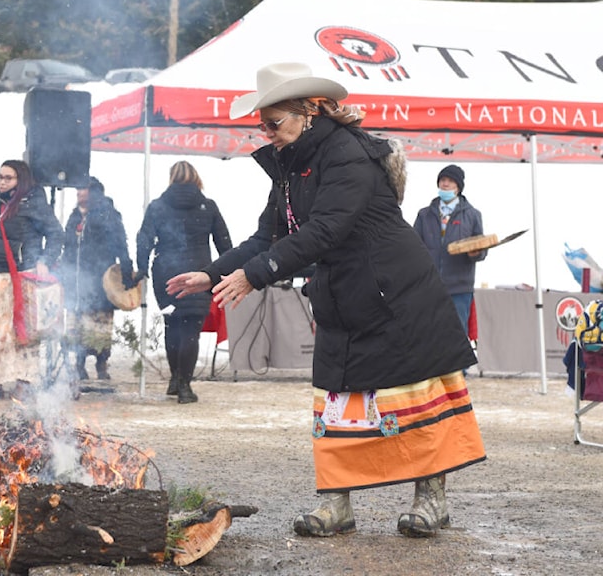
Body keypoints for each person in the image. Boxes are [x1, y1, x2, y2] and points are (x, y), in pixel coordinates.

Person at [166, 63, 486, 537]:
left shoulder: (347, 154)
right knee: (336, 402)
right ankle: (337, 506)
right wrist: (210, 272)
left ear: (309, 111)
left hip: (396, 294)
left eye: (274, 122)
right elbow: (268, 235)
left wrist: (255, 277)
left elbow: (326, 229)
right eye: (262, 123)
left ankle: (431, 502)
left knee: (412, 399)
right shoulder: (291, 165)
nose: (266, 131)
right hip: (343, 297)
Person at [136, 161, 232, 404]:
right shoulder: (208, 206)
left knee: (173, 325)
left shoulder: (158, 206)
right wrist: (226, 271)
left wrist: (142, 268)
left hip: (166, 273)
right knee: (191, 330)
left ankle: (176, 378)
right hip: (199, 273)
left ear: (171, 178)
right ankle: (185, 385)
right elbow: (224, 243)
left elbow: (144, 239)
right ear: (196, 178)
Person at [0, 159, 63, 398]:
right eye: (0, 177)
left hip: (19, 278)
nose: (2, 181)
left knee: (22, 332)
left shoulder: (33, 204)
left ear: (21, 180)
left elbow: (55, 234)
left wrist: (44, 260)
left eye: (8, 178)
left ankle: (25, 381)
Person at [60, 177, 134, 381]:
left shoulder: (107, 214)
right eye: (78, 188)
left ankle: (102, 364)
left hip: (98, 278)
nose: (78, 192)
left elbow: (120, 242)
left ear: (94, 193)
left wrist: (126, 268)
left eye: (83, 189)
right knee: (77, 324)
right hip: (76, 279)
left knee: (99, 325)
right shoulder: (75, 216)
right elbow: (68, 246)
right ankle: (79, 365)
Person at [413, 165, 487, 335]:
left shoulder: (473, 215)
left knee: (457, 338)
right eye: (443, 180)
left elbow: (482, 249)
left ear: (458, 187)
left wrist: (476, 253)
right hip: (429, 288)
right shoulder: (424, 215)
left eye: (450, 181)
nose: (445, 184)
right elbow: (413, 247)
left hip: (460, 289)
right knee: (428, 337)